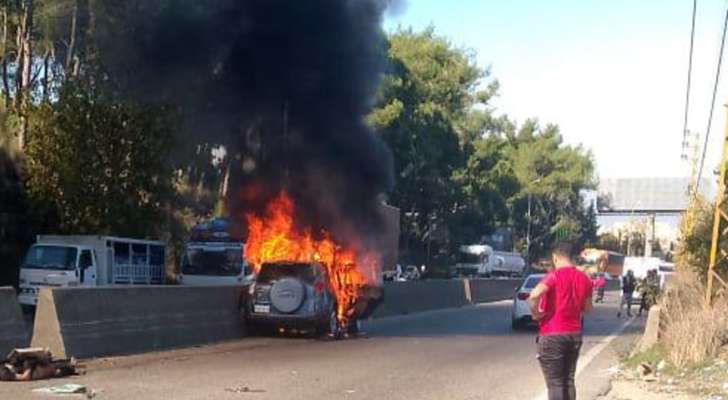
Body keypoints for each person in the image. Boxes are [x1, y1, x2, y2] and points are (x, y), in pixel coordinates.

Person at [528, 241, 594, 400]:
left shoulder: (554, 276)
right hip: (574, 334)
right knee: (568, 381)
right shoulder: (584, 279)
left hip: (552, 334)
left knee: (555, 384)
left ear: (555, 257)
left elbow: (534, 295)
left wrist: (536, 313)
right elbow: (588, 309)